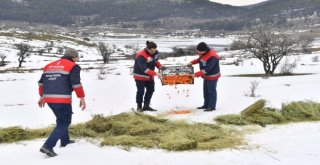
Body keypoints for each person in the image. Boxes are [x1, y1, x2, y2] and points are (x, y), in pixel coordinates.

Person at [37, 48, 86, 157]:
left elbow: (41, 83)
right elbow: (76, 83)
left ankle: (65, 141)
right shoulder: (73, 66)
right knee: (64, 122)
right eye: (77, 57)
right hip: (62, 99)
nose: (77, 60)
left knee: (61, 119)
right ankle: (48, 146)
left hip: (49, 99)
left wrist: (41, 96)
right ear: (73, 57)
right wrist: (81, 97)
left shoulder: (49, 65)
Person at [188, 42, 221, 111]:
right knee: (205, 91)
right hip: (206, 76)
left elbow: (207, 69)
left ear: (204, 50)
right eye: (198, 51)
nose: (198, 52)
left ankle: (211, 106)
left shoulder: (212, 56)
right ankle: (206, 105)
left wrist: (195, 75)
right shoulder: (204, 53)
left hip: (212, 76)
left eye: (200, 51)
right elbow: (200, 59)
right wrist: (192, 62)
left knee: (211, 91)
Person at [133, 41, 165, 112]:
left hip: (150, 77)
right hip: (140, 77)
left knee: (150, 90)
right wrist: (156, 74)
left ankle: (146, 106)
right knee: (140, 91)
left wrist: (160, 66)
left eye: (155, 50)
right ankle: (139, 107)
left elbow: (155, 61)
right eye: (153, 51)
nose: (154, 52)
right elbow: (144, 69)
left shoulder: (155, 53)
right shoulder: (141, 55)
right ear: (148, 49)